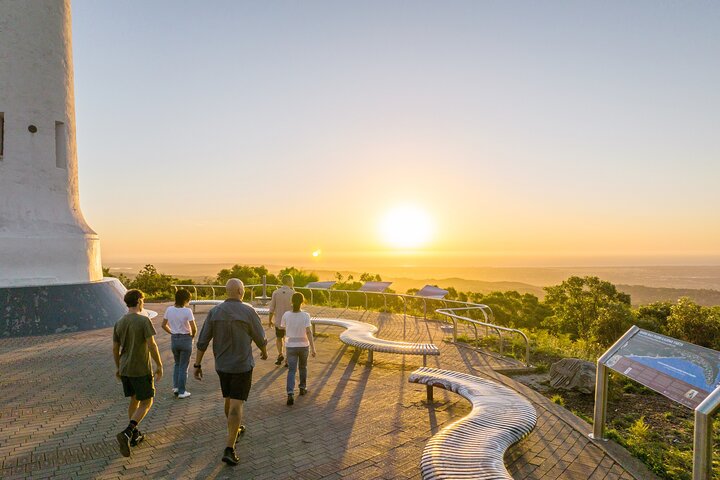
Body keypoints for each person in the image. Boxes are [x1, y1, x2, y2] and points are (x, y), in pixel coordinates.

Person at [194, 278, 268, 466]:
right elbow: (260, 337)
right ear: (239, 291)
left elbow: (203, 340)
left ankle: (234, 429)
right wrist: (265, 352)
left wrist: (197, 365)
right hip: (241, 366)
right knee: (236, 404)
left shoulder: (215, 312)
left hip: (222, 366)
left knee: (228, 398)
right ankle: (229, 448)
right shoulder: (248, 311)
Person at [112, 289, 163, 458]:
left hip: (125, 368)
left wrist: (118, 367)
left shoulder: (119, 322)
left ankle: (134, 436)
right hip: (140, 368)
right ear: (139, 301)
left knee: (134, 400)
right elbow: (152, 345)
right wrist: (159, 365)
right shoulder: (143, 320)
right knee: (147, 402)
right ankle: (128, 432)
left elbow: (115, 348)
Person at [281, 292, 316, 406]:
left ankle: (290, 393)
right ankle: (302, 387)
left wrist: (284, 351)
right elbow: (309, 332)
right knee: (303, 367)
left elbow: (283, 330)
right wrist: (313, 348)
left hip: (290, 346)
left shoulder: (286, 315)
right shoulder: (306, 315)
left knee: (291, 370)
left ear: (292, 301)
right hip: (303, 346)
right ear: (302, 302)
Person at [161, 289, 197, 399]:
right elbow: (194, 327)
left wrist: (172, 331)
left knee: (177, 364)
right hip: (185, 339)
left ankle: (176, 387)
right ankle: (182, 392)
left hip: (174, 339)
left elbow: (163, 325)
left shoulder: (169, 309)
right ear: (185, 300)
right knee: (183, 367)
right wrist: (192, 336)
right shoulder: (187, 311)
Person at [268, 274, 294, 366]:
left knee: (279, 338)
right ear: (288, 281)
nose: (293, 282)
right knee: (288, 340)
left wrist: (270, 320)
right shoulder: (293, 293)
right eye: (292, 280)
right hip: (290, 321)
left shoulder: (276, 292)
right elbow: (294, 308)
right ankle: (287, 359)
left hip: (279, 321)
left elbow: (272, 308)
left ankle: (280, 354)